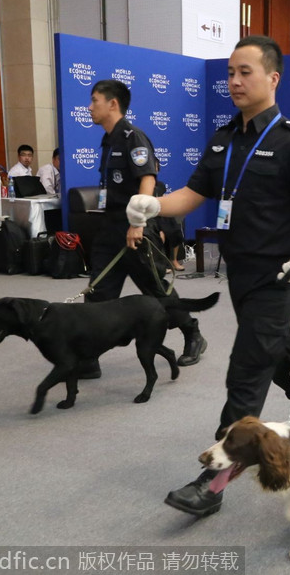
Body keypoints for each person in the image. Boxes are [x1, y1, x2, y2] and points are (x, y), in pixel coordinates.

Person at [125, 36, 290, 518]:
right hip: (239, 275)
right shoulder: (224, 137)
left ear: (273, 78)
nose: (235, 81)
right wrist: (155, 204)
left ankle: (213, 481)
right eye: (230, 73)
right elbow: (195, 193)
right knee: (277, 352)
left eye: (246, 72)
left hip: (279, 278)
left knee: (245, 372)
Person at [83, 79, 205, 379]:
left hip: (134, 231)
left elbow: (147, 180)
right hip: (109, 230)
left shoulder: (132, 137)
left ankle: (192, 334)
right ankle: (88, 356)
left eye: (94, 100)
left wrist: (137, 224)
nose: (89, 107)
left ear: (113, 104)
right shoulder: (108, 139)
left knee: (156, 293)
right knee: (97, 294)